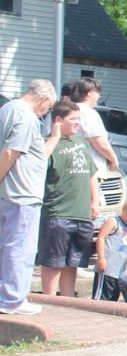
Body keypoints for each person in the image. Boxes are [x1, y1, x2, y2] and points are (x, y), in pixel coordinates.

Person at [0, 79, 58, 315]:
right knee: (19, 247)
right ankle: (12, 299)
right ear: (43, 99)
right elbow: (10, 152)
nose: (47, 112)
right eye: (49, 107)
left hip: (9, 192)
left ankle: (7, 295)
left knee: (7, 246)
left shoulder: (7, 109)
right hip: (22, 193)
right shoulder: (25, 117)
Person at [36, 100, 99, 298]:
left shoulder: (80, 142)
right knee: (53, 261)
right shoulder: (46, 143)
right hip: (57, 213)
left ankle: (68, 300)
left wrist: (94, 201)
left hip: (80, 214)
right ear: (58, 120)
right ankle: (49, 299)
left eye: (78, 119)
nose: (77, 123)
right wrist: (55, 136)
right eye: (73, 119)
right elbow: (39, 163)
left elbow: (91, 173)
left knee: (73, 262)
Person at [93, 195, 127, 301]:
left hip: (118, 273)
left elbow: (122, 251)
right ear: (124, 210)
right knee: (100, 300)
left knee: (113, 300)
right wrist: (101, 258)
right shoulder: (113, 221)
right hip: (106, 270)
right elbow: (101, 238)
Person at [66, 78, 120, 173]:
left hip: (67, 167)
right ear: (89, 93)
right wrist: (114, 159)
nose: (99, 96)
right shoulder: (88, 113)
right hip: (88, 170)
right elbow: (100, 143)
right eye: (97, 92)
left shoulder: (63, 110)